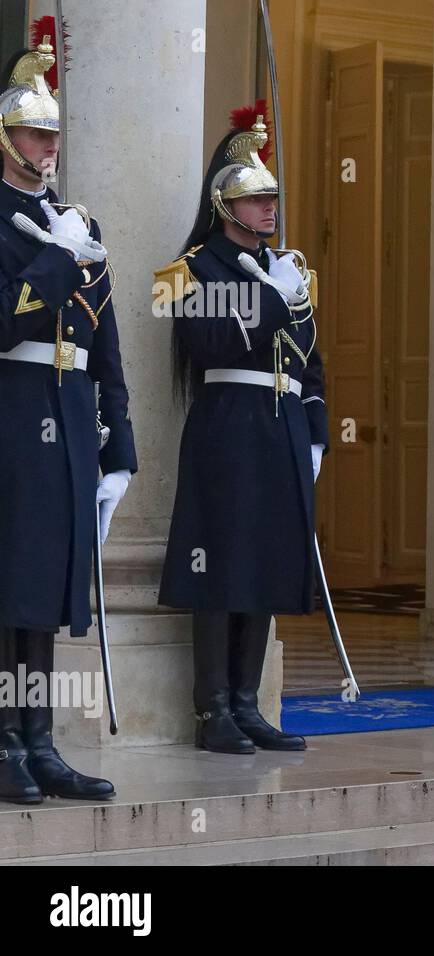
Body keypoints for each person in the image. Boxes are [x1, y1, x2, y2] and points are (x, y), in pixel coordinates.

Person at [157, 106, 325, 754]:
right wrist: (275, 298)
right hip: (226, 423)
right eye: (257, 198)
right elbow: (207, 342)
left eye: (273, 198)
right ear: (225, 201)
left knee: (266, 562)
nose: (269, 208)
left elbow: (314, 356)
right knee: (219, 564)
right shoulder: (185, 269)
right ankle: (213, 710)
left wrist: (315, 430)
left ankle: (248, 701)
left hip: (281, 424)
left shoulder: (289, 265)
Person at [0, 38, 135, 804]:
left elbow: (105, 348)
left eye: (54, 136)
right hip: (13, 422)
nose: (47, 146)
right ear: (6, 139)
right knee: (9, 589)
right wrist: (53, 259)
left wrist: (121, 447)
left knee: (49, 590)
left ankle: (40, 741)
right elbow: (5, 322)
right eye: (34, 133)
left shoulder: (77, 224)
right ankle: (4, 743)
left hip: (69, 424)